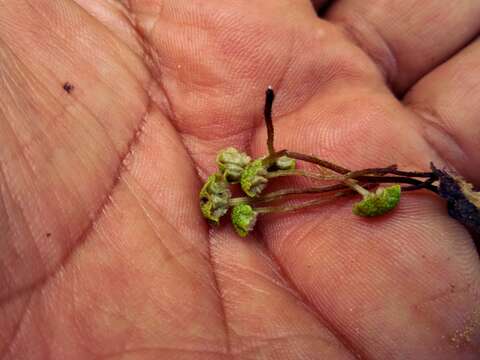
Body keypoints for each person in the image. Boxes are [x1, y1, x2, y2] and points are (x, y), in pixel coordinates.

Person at [0, 1, 478, 358]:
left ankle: (416, 182)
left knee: (357, 176)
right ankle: (413, 183)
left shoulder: (256, 181)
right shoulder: (240, 193)